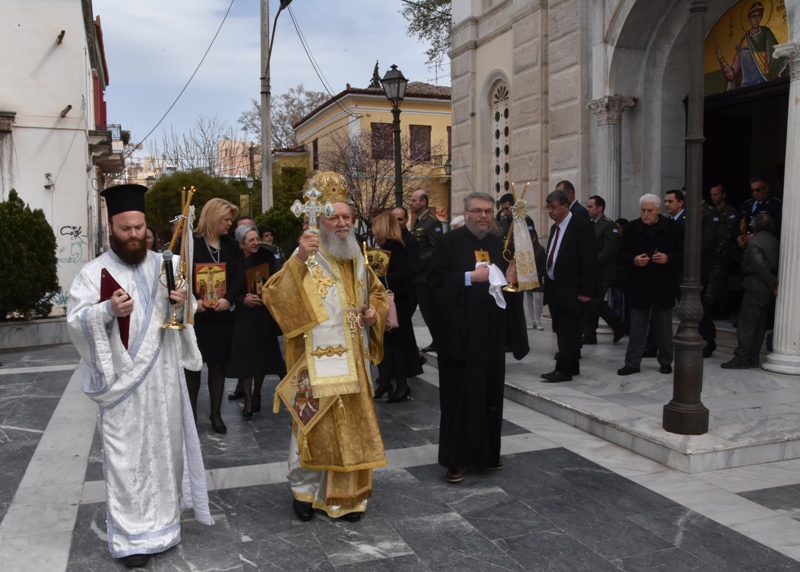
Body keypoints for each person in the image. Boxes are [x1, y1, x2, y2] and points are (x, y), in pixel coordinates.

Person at [66, 184, 211, 568]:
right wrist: (106, 311)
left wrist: (185, 303)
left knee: (165, 454)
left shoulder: (168, 265)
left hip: (163, 381)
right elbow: (77, 323)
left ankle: (164, 528)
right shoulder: (91, 273)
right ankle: (132, 540)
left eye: (139, 227)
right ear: (111, 227)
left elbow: (186, 313)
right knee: (127, 460)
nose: (134, 235)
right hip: (124, 389)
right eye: (125, 228)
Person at [263, 171, 389, 523]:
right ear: (317, 218)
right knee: (313, 424)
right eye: (333, 216)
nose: (342, 222)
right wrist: (299, 259)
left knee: (352, 427)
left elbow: (377, 295)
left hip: (356, 362)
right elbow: (274, 294)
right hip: (315, 363)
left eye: (347, 216)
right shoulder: (306, 256)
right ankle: (304, 492)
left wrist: (371, 314)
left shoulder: (358, 257)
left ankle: (347, 499)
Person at [429, 191, 528, 484]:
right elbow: (434, 282)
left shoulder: (500, 245)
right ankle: (455, 460)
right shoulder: (449, 243)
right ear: (467, 213)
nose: (483, 216)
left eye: (487, 211)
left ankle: (487, 454)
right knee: (459, 397)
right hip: (460, 334)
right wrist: (470, 278)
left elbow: (510, 289)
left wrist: (512, 281)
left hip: (492, 334)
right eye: (477, 211)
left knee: (490, 395)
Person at [185, 198, 244, 435]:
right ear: (213, 218)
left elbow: (239, 277)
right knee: (193, 367)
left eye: (231, 219)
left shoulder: (230, 246)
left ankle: (216, 414)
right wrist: (193, 302)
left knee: (218, 366)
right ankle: (190, 416)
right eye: (226, 219)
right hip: (197, 317)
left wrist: (228, 299)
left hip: (221, 316)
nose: (230, 223)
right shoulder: (191, 244)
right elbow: (180, 276)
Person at [617, 194, 683, 376]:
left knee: (664, 327)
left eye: (650, 211)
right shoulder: (631, 228)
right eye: (643, 210)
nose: (646, 214)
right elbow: (621, 253)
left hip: (664, 283)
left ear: (658, 211)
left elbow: (684, 253)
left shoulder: (673, 228)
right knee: (637, 326)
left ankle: (666, 361)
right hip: (640, 283)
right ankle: (632, 362)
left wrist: (668, 258)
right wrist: (634, 260)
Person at [226, 225, 286, 416]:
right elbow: (228, 287)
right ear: (241, 243)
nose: (256, 242)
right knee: (245, 359)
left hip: (262, 312)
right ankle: (249, 400)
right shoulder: (233, 260)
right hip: (243, 316)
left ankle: (257, 393)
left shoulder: (266, 256)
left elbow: (275, 281)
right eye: (251, 240)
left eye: (256, 239)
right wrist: (242, 299)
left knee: (261, 357)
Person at [541, 189, 597, 382]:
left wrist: (586, 289)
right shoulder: (555, 228)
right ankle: (572, 365)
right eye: (548, 208)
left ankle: (563, 369)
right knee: (561, 328)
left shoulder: (580, 225)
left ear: (565, 207)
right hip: (555, 286)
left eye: (554, 207)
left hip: (573, 289)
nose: (550, 211)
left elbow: (589, 259)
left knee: (569, 330)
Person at [371, 211, 423, 402]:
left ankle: (402, 386)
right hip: (388, 302)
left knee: (396, 346)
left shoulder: (395, 247)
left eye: (375, 226)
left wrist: (381, 280)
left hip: (397, 303)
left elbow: (404, 272)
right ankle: (385, 382)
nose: (373, 230)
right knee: (384, 344)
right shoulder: (385, 246)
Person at [722, 213, 779, 369]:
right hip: (766, 289)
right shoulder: (774, 240)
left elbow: (759, 265)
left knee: (747, 324)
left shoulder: (754, 242)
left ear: (754, 226)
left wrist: (773, 283)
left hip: (755, 285)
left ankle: (741, 357)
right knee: (759, 324)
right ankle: (753, 357)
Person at [498, 192, 546, 331]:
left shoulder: (524, 220)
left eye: (507, 208)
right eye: (503, 209)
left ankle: (533, 321)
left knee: (525, 297)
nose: (505, 212)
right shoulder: (502, 222)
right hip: (505, 263)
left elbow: (528, 240)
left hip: (519, 263)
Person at [582, 195, 625, 344]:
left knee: (596, 301)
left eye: (590, 206)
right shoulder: (591, 224)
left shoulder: (608, 225)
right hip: (592, 271)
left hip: (603, 271)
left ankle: (618, 325)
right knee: (588, 303)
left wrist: (595, 263)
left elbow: (610, 247)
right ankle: (589, 334)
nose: (587, 209)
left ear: (600, 208)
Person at [715, 2, 786, 88]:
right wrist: (720, 58)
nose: (756, 19)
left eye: (759, 15)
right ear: (749, 19)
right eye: (753, 16)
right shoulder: (745, 39)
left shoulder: (766, 33)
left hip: (765, 85)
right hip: (746, 88)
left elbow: (777, 57)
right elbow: (731, 74)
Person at [409, 189, 443, 352]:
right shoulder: (418, 221)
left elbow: (436, 248)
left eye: (414, 200)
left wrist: (419, 262)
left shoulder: (432, 222)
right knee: (417, 309)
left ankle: (439, 339)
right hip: (416, 274)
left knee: (428, 310)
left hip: (425, 275)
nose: (411, 203)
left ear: (423, 202)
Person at [705, 184, 738, 319]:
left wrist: (718, 251)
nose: (713, 197)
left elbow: (727, 235)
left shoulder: (730, 213)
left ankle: (716, 310)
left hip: (724, 255)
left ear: (723, 195)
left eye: (716, 194)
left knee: (716, 283)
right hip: (711, 254)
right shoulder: (711, 211)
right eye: (712, 195)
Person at [738, 175, 782, 248]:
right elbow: (738, 222)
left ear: (766, 188)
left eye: (758, 190)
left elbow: (776, 227)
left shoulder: (775, 204)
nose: (755, 193)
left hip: (763, 246)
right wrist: (737, 236)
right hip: (745, 246)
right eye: (752, 191)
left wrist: (756, 235)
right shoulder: (747, 204)